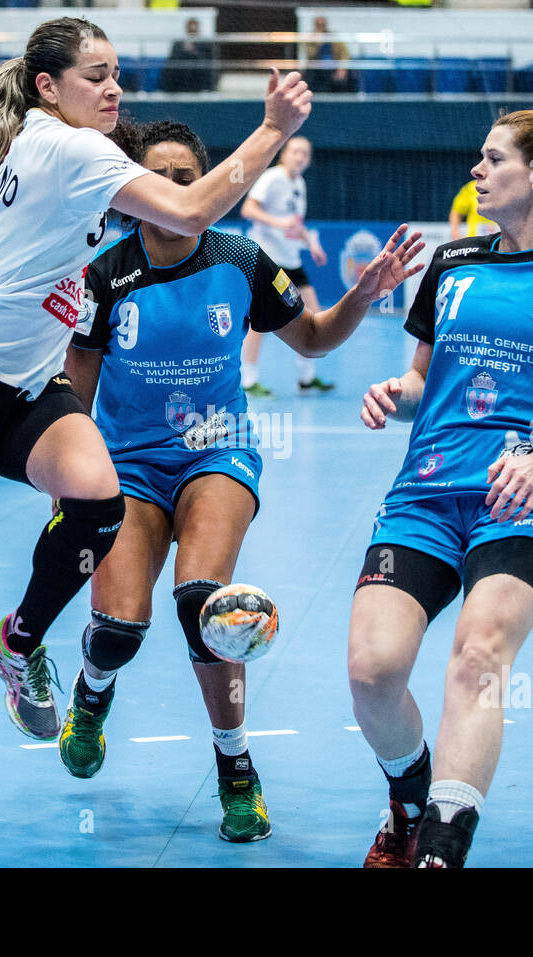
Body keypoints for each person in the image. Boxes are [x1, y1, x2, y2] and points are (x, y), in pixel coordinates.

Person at [0, 16, 312, 799]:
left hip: (29, 388)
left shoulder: (15, 145)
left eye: (118, 73)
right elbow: (191, 211)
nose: (114, 88)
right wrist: (271, 131)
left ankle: (16, 643)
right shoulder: (72, 148)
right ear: (48, 87)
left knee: (97, 499)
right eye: (96, 76)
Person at [63, 119, 423, 841]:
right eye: (157, 177)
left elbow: (313, 338)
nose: (173, 189)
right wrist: (72, 497)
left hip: (217, 451)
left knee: (207, 605)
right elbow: (74, 399)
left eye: (186, 177)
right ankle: (92, 692)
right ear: (133, 189)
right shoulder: (103, 274)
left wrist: (361, 295)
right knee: (119, 630)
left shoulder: (242, 259)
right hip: (127, 463)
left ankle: (236, 768)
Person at [349, 97, 533, 867]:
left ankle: (442, 845)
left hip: (526, 498)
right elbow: (423, 380)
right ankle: (409, 797)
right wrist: (396, 392)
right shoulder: (451, 262)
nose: (476, 170)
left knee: (478, 654)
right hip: (424, 493)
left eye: (493, 158)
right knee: (373, 671)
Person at [239, 136, 333, 397]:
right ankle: (249, 380)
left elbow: (295, 223)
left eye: (305, 153)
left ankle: (306, 378)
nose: (300, 157)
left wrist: (311, 243)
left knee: (314, 316)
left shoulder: (299, 183)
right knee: (260, 322)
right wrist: (279, 223)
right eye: (295, 151)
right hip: (271, 261)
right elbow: (248, 209)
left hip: (292, 261)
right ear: (284, 154)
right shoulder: (272, 177)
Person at [159, 17, 216, 93]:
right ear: (187, 29)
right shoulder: (178, 43)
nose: (192, 33)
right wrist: (184, 51)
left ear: (198, 30)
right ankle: (171, 91)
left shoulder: (205, 43)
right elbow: (173, 58)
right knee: (172, 66)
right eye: (190, 30)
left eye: (194, 31)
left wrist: (194, 52)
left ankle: (202, 89)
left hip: (197, 70)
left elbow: (208, 59)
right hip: (182, 71)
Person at [304, 15, 354, 94]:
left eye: (322, 25)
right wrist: (318, 41)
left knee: (347, 76)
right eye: (318, 25)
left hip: (333, 66)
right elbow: (310, 55)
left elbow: (345, 54)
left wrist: (342, 68)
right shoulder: (310, 38)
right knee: (308, 75)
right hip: (317, 68)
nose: (320, 27)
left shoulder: (332, 37)